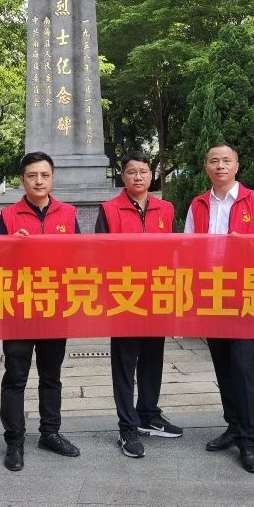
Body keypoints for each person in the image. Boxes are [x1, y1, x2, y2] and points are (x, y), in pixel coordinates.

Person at [184, 142, 254, 474]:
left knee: (243, 367)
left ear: (237, 166)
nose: (220, 166)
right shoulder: (198, 204)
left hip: (243, 295)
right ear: (206, 167)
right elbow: (188, 247)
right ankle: (233, 426)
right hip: (211, 294)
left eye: (226, 161)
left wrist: (245, 245)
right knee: (223, 365)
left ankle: (248, 439)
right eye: (214, 161)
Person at [0, 151, 81, 471]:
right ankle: (14, 441)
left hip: (54, 307)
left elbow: (79, 257)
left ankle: (50, 433)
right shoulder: (8, 215)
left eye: (44, 175)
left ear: (52, 178)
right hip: (18, 308)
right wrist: (10, 247)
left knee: (51, 375)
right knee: (15, 377)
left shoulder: (68, 213)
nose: (39, 181)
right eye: (32, 175)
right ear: (23, 180)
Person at [94, 150, 182, 459]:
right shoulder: (109, 209)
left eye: (143, 171)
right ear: (123, 176)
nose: (138, 177)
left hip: (157, 294)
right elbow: (100, 255)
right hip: (124, 297)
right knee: (124, 363)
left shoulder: (165, 208)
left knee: (152, 359)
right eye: (132, 172)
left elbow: (176, 251)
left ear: (151, 175)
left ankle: (148, 414)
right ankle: (127, 426)